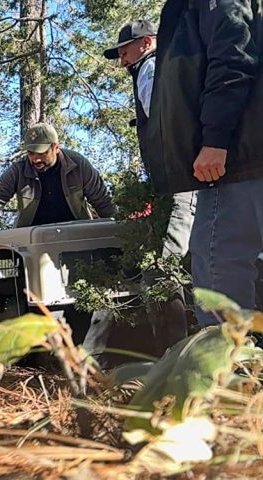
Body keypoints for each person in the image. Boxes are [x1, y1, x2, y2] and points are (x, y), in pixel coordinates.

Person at [143, 1, 263, 327]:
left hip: (235, 162)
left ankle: (225, 371)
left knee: (217, 267)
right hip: (241, 157)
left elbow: (232, 55)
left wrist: (215, 140)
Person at [97, 19, 195, 354]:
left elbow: (170, 120)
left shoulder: (151, 70)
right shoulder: (157, 68)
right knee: (196, 267)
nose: (121, 57)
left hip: (181, 185)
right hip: (178, 185)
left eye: (126, 49)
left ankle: (174, 357)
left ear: (148, 42)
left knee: (163, 272)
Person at [0, 122, 117, 254]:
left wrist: (122, 231)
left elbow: (102, 202)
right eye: (31, 153)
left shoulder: (79, 165)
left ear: (56, 147)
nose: (36, 159)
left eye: (42, 153)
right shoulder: (18, 170)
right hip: (32, 242)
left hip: (76, 237)